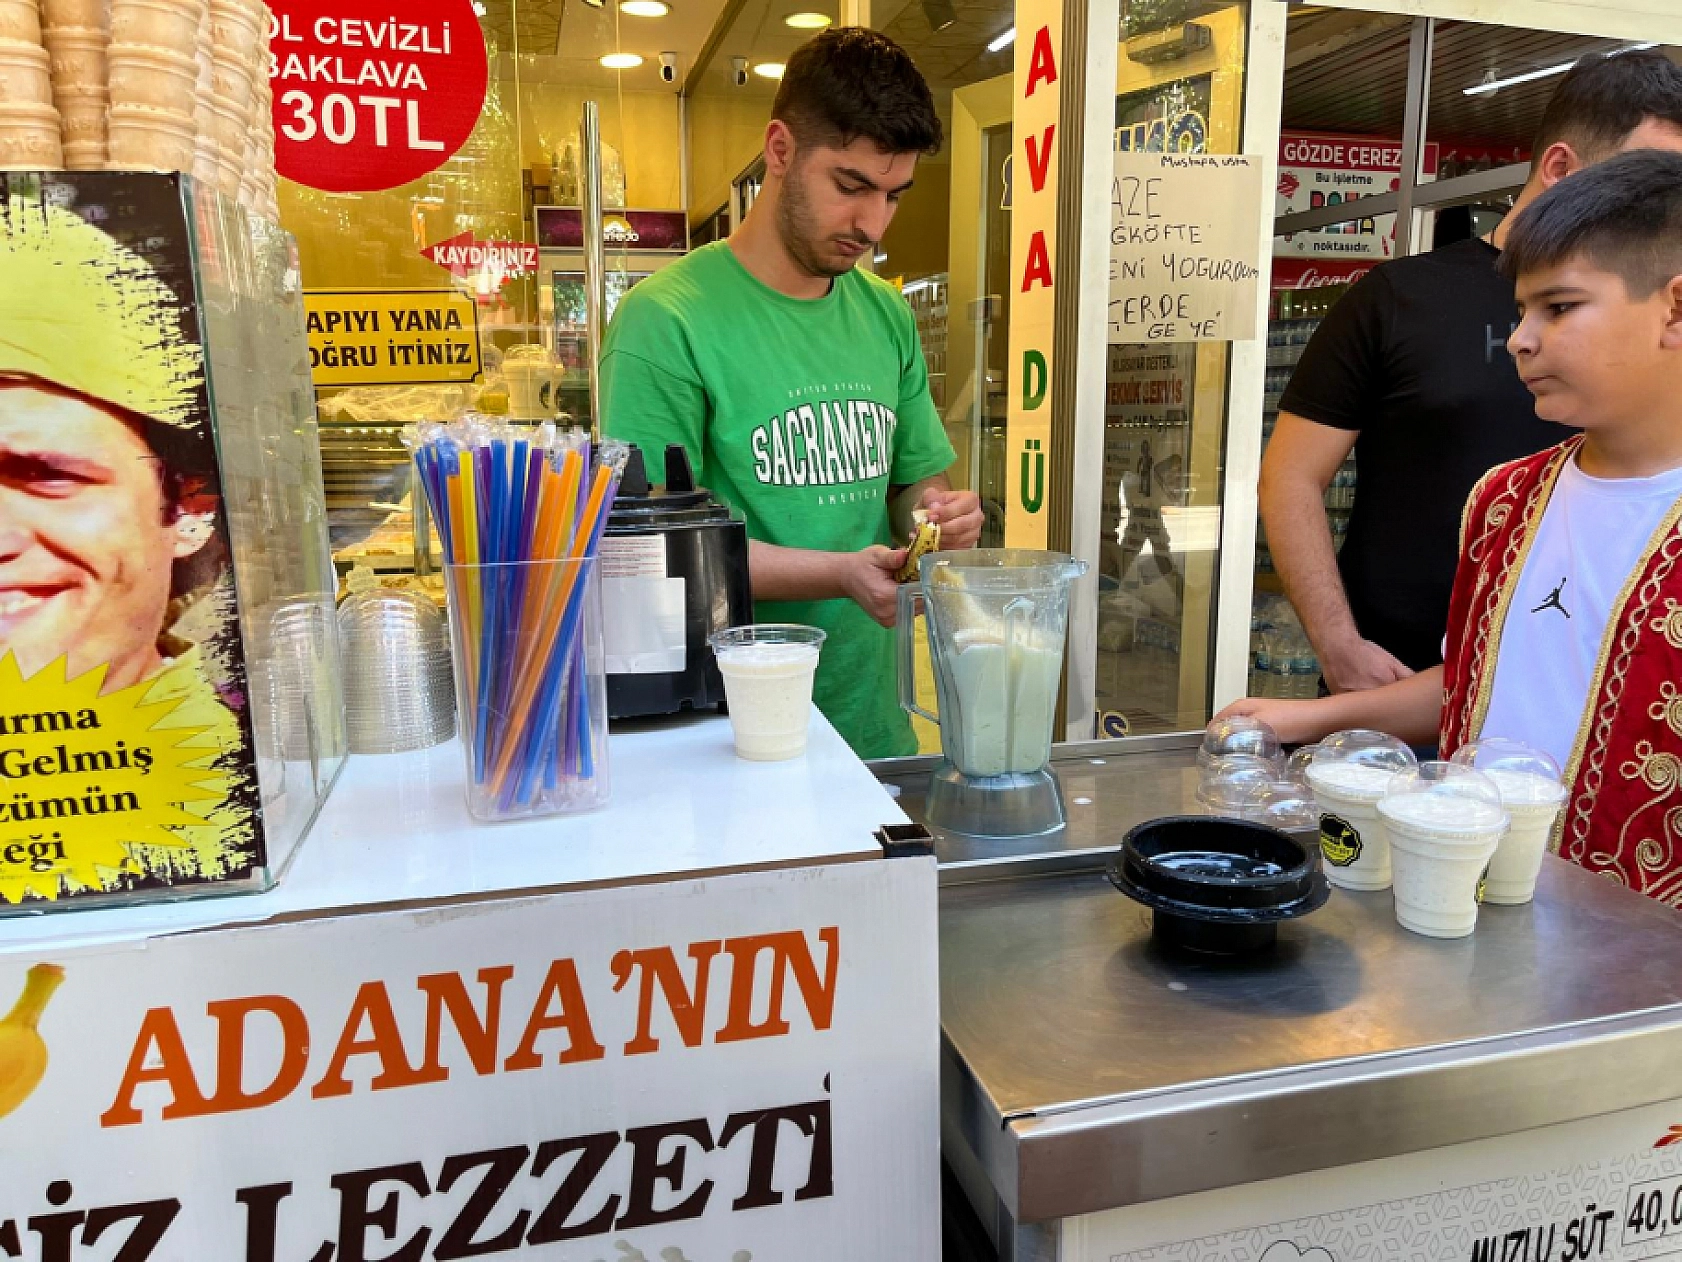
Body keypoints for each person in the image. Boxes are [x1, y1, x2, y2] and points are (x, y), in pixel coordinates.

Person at [1226, 149, 1682, 906]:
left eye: (1559, 308)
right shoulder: (1505, 501)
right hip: (1468, 916)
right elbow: (1471, 685)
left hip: (1645, 976)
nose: (1519, 339)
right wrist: (1307, 718)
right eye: (1522, 311)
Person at [601, 28, 983, 759]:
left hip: (875, 726)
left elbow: (913, 479)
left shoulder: (884, 312)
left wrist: (935, 518)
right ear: (780, 151)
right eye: (850, 187)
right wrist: (838, 574)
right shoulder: (666, 319)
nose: (872, 225)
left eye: (893, 196)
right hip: (726, 738)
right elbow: (652, 553)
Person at [1260, 52, 1682, 695]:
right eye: (1646, 173)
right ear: (1560, 168)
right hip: (1394, 679)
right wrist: (1340, 647)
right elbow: (1291, 474)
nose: (1526, 341)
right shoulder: (1400, 299)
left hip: (1586, 685)